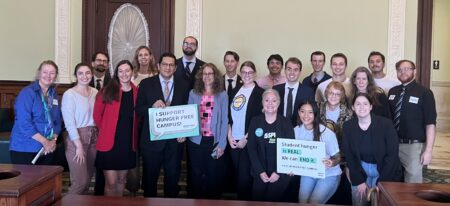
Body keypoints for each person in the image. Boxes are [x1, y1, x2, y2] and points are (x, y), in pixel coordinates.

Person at [136, 52, 190, 197]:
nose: (167, 67)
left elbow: (188, 111)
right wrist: (151, 107)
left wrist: (185, 132)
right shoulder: (146, 84)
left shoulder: (184, 85)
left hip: (174, 142)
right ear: (159, 66)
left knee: (172, 180)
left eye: (171, 65)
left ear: (175, 67)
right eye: (165, 64)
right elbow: (138, 109)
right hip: (151, 142)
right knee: (149, 181)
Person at [343, 93, 402, 205]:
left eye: (365, 104)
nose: (361, 107)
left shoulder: (386, 124)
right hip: (361, 168)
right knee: (359, 200)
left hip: (384, 169)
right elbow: (350, 156)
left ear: (371, 107)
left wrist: (381, 183)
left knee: (378, 200)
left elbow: (392, 156)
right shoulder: (348, 126)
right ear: (352, 107)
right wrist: (359, 181)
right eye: (358, 104)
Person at [93, 60, 139, 196]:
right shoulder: (107, 91)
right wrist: (106, 130)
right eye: (121, 71)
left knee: (121, 179)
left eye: (127, 71)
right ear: (116, 73)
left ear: (132, 72)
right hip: (109, 143)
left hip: (128, 144)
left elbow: (140, 117)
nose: (124, 74)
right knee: (111, 183)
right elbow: (97, 116)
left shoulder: (137, 92)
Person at [388, 60, 437, 183]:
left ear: (414, 71)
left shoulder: (425, 93)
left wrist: (428, 150)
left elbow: (430, 123)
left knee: (412, 182)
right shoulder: (392, 92)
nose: (403, 72)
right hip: (392, 144)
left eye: (407, 69)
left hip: (413, 146)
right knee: (392, 179)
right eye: (400, 69)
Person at [186, 63, 228, 199]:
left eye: (210, 73)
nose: (207, 76)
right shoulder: (193, 93)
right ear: (200, 76)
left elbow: (224, 120)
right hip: (196, 141)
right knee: (196, 173)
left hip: (214, 141)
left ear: (215, 76)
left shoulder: (222, 95)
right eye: (205, 73)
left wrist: (222, 144)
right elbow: (187, 117)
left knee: (213, 174)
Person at [9, 60, 62, 165]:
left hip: (47, 149)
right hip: (25, 148)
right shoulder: (27, 93)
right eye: (45, 72)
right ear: (39, 74)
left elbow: (57, 121)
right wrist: (45, 142)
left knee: (46, 181)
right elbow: (24, 123)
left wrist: (53, 140)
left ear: (55, 76)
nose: (48, 76)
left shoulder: (53, 94)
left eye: (52, 73)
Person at [247, 89, 294, 202]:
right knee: (257, 200)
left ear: (278, 103)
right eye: (267, 100)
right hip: (260, 171)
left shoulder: (286, 122)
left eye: (274, 101)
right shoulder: (255, 121)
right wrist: (260, 171)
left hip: (280, 172)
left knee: (271, 200)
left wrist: (278, 172)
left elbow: (290, 149)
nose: (270, 104)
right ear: (262, 102)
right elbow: (251, 148)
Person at [227, 61, 264, 200]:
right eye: (244, 72)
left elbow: (259, 120)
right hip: (233, 140)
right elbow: (229, 116)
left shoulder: (260, 93)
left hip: (249, 140)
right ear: (240, 74)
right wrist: (229, 136)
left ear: (254, 74)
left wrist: (246, 139)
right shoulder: (235, 90)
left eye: (250, 72)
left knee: (244, 178)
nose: (247, 75)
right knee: (239, 175)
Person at [61, 63, 98, 194]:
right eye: (80, 73)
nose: (84, 76)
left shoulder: (95, 92)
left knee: (87, 179)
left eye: (87, 73)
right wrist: (78, 145)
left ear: (92, 75)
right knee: (79, 182)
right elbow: (69, 123)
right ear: (75, 76)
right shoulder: (69, 94)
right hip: (76, 138)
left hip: (93, 136)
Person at [295, 101, 341, 204]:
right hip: (309, 172)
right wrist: (291, 167)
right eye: (303, 111)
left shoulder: (327, 133)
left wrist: (331, 162)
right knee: (302, 202)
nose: (306, 115)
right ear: (298, 112)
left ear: (315, 113)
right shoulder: (296, 131)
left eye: (310, 112)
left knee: (314, 202)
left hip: (328, 174)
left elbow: (337, 157)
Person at [318, 81, 353, 205]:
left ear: (342, 96)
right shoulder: (317, 108)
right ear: (326, 93)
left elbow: (350, 141)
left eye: (337, 94)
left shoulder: (349, 113)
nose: (333, 96)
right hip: (319, 157)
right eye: (331, 93)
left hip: (340, 159)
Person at [274, 57, 315, 126]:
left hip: (299, 130)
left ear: (300, 72)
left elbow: (312, 114)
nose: (292, 73)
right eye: (289, 69)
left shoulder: (308, 92)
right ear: (285, 70)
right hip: (278, 128)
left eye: (295, 70)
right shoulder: (276, 89)